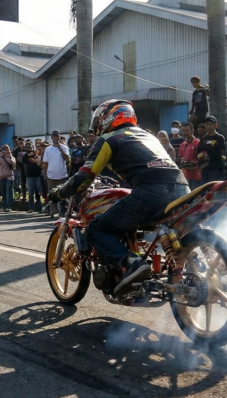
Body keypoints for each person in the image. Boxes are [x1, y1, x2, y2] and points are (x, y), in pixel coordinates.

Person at [47, 100, 189, 296]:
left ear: (106, 118)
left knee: (95, 229)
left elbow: (84, 177)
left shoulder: (108, 139)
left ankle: (132, 264)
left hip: (150, 193)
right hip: (183, 189)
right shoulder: (149, 137)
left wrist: (58, 192)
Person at [40, 130, 70, 217]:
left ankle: (62, 211)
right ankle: (52, 211)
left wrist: (60, 148)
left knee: (61, 194)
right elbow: (45, 162)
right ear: (52, 137)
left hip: (62, 175)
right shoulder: (48, 149)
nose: (55, 138)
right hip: (51, 175)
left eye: (57, 136)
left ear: (59, 137)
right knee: (52, 194)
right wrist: (45, 172)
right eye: (54, 136)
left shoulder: (64, 147)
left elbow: (67, 158)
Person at [196, 116, 226, 182]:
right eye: (207, 124)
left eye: (211, 124)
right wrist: (201, 163)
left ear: (216, 125)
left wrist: (208, 154)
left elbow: (220, 152)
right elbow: (198, 152)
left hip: (216, 169)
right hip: (205, 170)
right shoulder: (203, 139)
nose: (209, 127)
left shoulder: (220, 138)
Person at [177, 122, 202, 189]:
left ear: (192, 131)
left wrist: (193, 164)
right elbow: (180, 157)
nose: (185, 132)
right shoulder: (182, 144)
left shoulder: (198, 143)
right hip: (185, 175)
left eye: (187, 130)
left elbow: (202, 158)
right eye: (183, 131)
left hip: (196, 176)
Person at [22, 142, 44, 213]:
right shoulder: (25, 155)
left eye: (30, 146)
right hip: (30, 176)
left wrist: (36, 153)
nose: (29, 148)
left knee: (38, 192)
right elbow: (25, 160)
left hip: (38, 175)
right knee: (31, 193)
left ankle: (39, 208)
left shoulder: (37, 153)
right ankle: (31, 207)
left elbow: (40, 159)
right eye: (27, 146)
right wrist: (31, 154)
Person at [0, 145, 16, 211]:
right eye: (4, 149)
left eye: (7, 148)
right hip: (2, 177)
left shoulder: (12, 157)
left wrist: (9, 156)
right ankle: (4, 206)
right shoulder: (1, 158)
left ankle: (8, 206)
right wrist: (2, 156)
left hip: (9, 177)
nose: (6, 150)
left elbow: (13, 165)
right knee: (3, 192)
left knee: (8, 192)